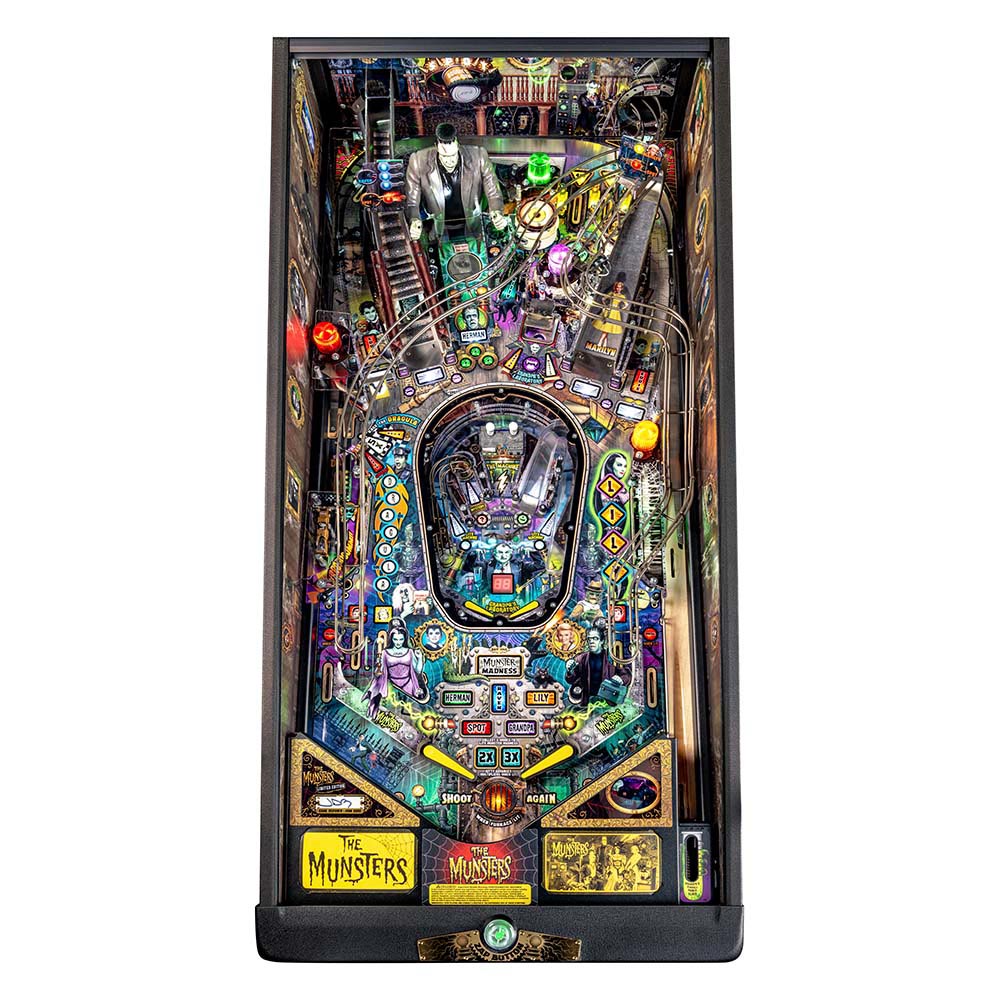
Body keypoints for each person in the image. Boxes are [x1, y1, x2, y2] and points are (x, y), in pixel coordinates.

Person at [405, 123, 507, 240]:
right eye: (444, 156)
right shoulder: (418, 160)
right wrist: (414, 220)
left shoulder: (478, 156)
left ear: (458, 145)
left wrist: (497, 212)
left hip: (472, 224)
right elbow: (412, 202)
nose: (450, 161)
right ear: (436, 147)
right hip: (436, 227)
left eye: (453, 155)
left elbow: (493, 193)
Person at [364, 619, 427, 717]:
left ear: (404, 639)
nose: (398, 642)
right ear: (391, 639)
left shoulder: (409, 652)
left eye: (401, 639)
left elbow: (418, 670)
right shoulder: (385, 653)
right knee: (392, 711)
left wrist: (420, 658)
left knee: (412, 711)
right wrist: (377, 669)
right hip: (392, 685)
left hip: (409, 685)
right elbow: (379, 672)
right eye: (395, 639)